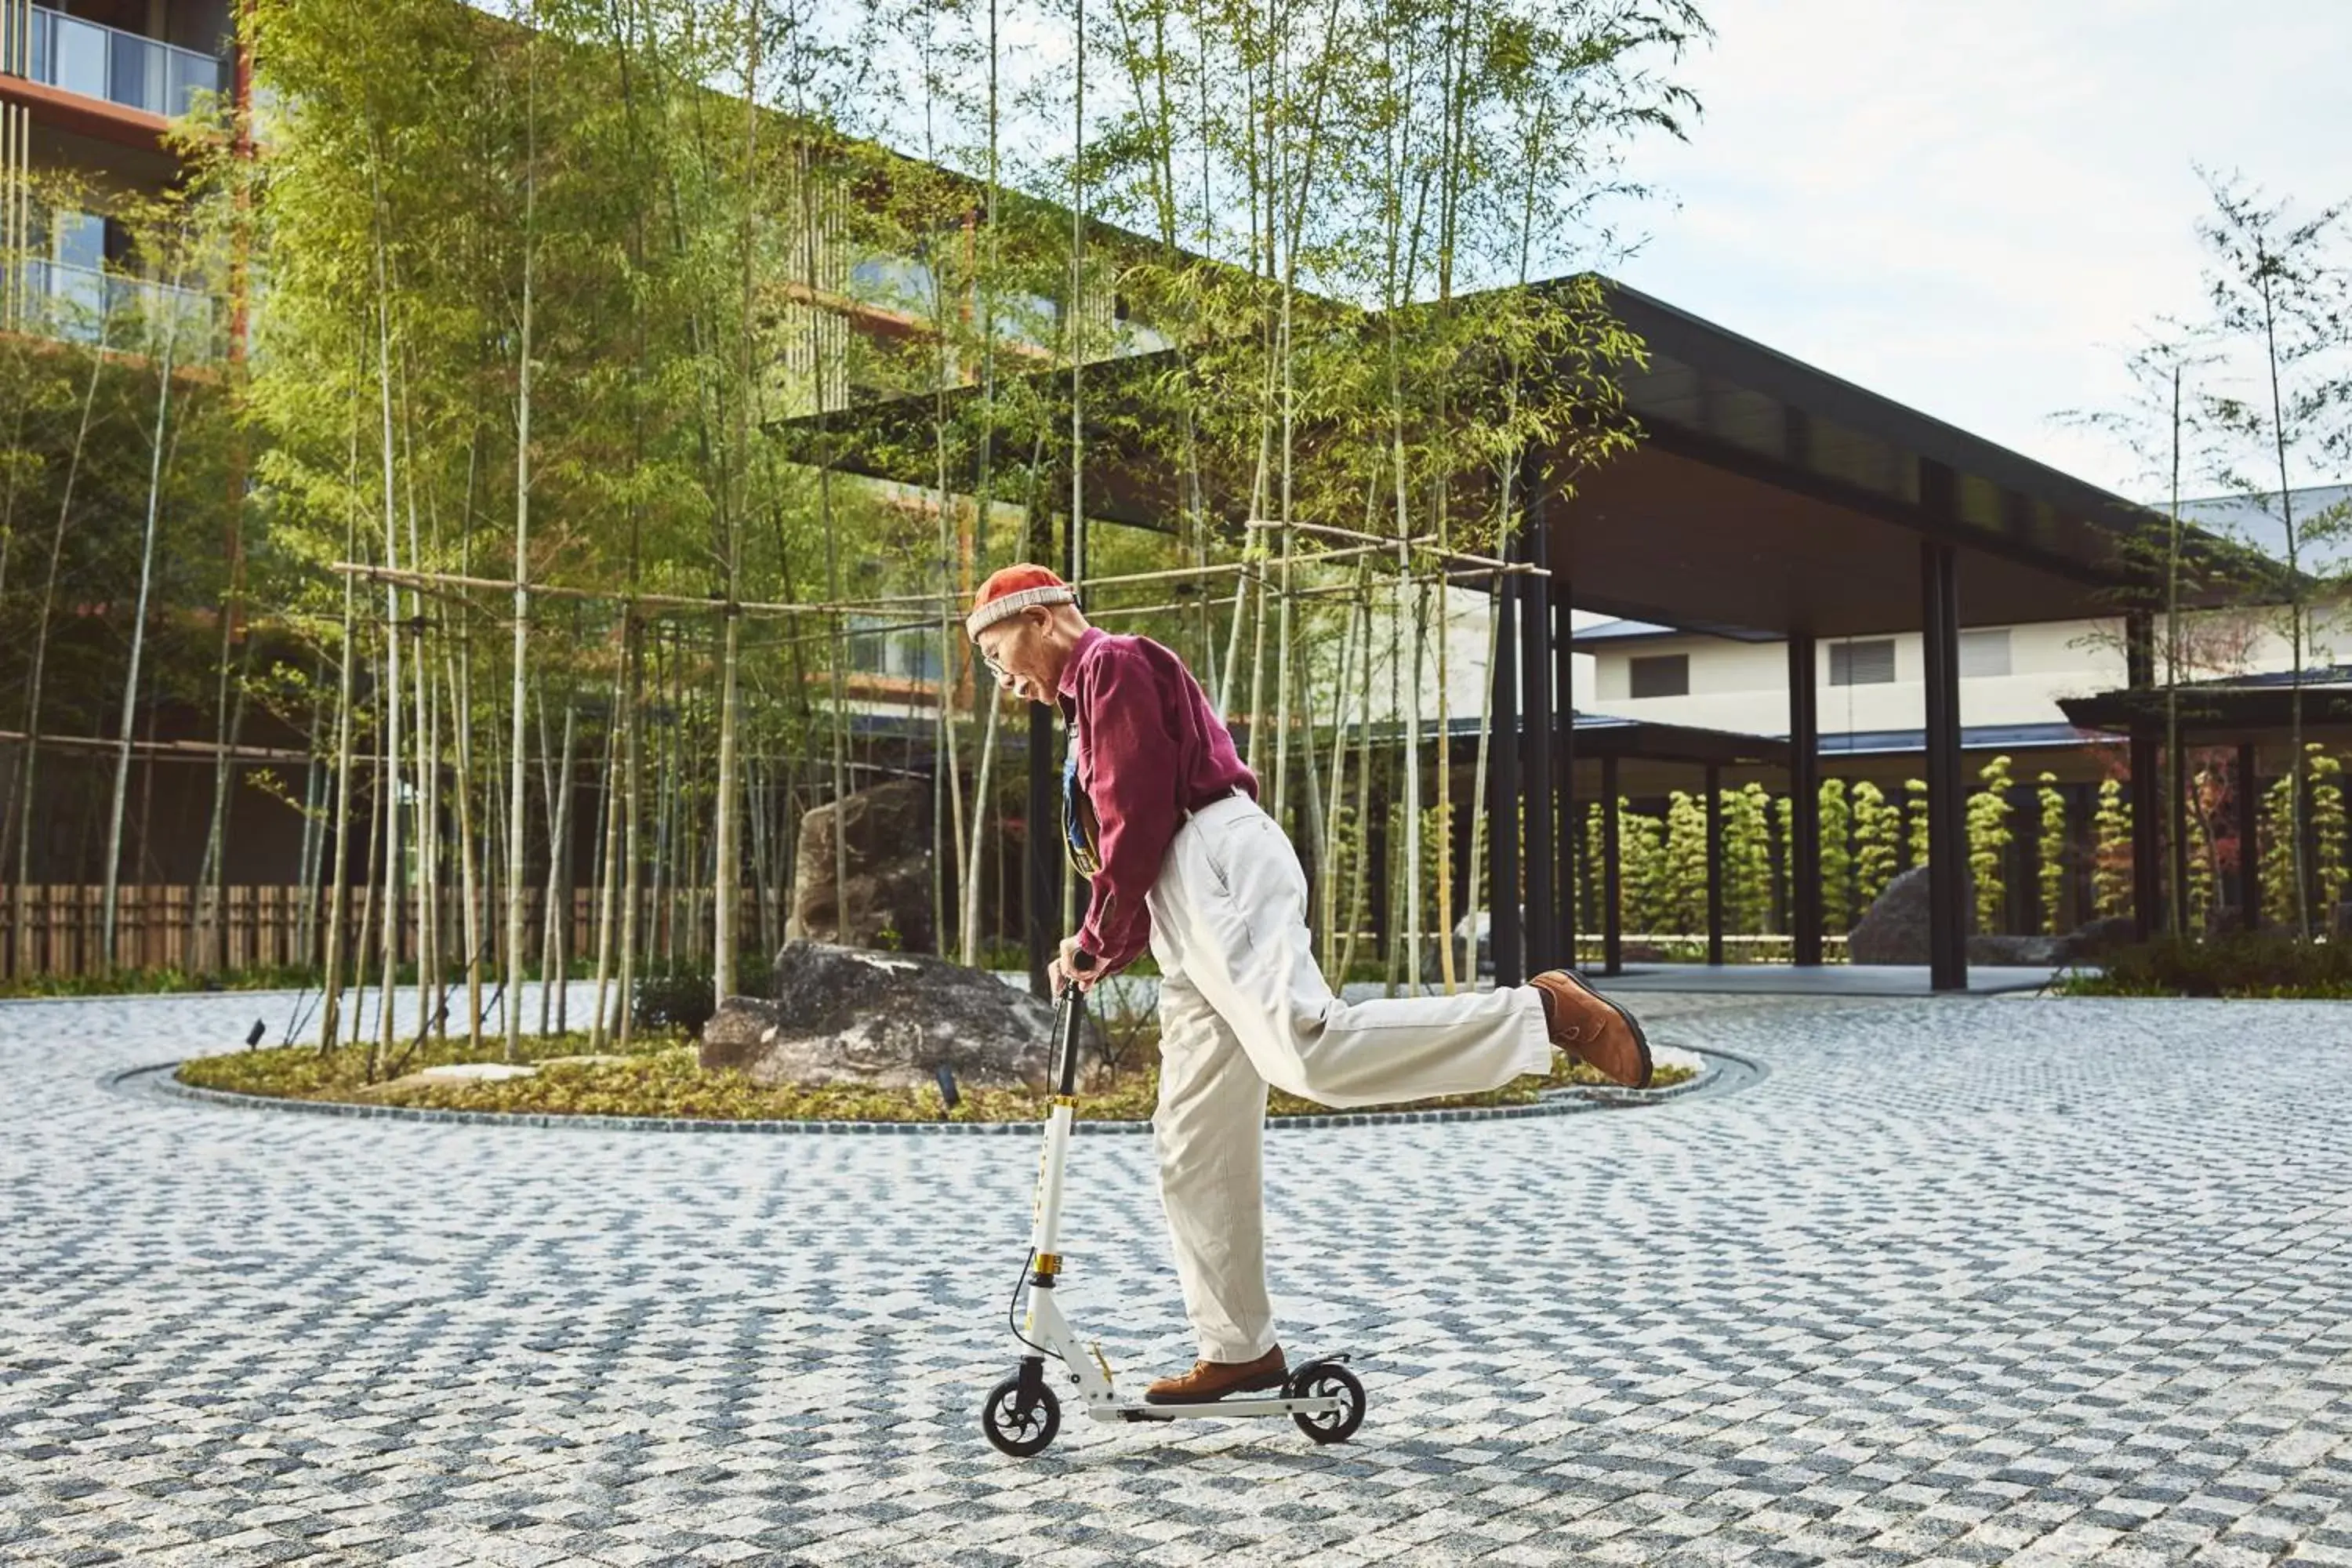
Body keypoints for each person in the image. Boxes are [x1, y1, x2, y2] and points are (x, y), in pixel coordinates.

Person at [967, 563, 1652, 1404]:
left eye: (1000, 656)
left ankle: (1541, 1016)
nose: (1008, 683)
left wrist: (1098, 933)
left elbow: (1137, 816)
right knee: (1191, 1141)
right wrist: (1098, 941)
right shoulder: (1089, 696)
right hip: (1184, 899)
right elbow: (1126, 844)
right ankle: (1240, 1349)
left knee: (1308, 1051)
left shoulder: (1112, 663)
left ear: (1037, 615)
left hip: (1212, 860)